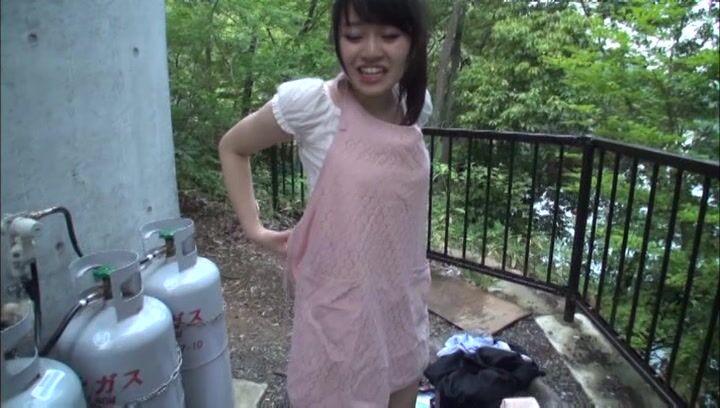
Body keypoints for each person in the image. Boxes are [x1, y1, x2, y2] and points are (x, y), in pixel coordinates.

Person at [218, 0, 433, 406]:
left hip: (401, 305)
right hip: (341, 314)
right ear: (338, 39)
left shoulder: (415, 106)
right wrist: (255, 229)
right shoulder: (314, 106)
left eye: (389, 35)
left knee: (402, 385)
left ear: (413, 41)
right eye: (354, 35)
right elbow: (233, 147)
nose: (370, 51)